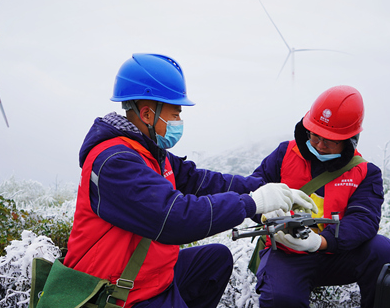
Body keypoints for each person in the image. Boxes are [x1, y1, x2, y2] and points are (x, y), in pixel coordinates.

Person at [63, 53, 313, 308]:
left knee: (215, 260)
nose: (178, 122)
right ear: (148, 114)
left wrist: (267, 192)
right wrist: (251, 203)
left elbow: (201, 181)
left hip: (150, 276)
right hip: (116, 292)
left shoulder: (149, 153)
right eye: (175, 114)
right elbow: (174, 218)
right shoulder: (115, 162)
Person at [251, 85, 390, 308]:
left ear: (350, 140)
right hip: (285, 253)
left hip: (334, 253)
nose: (320, 145)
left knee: (384, 253)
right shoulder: (284, 154)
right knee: (281, 299)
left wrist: (321, 242)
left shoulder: (365, 172)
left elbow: (363, 220)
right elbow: (255, 190)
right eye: (314, 136)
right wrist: (265, 214)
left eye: (330, 140)